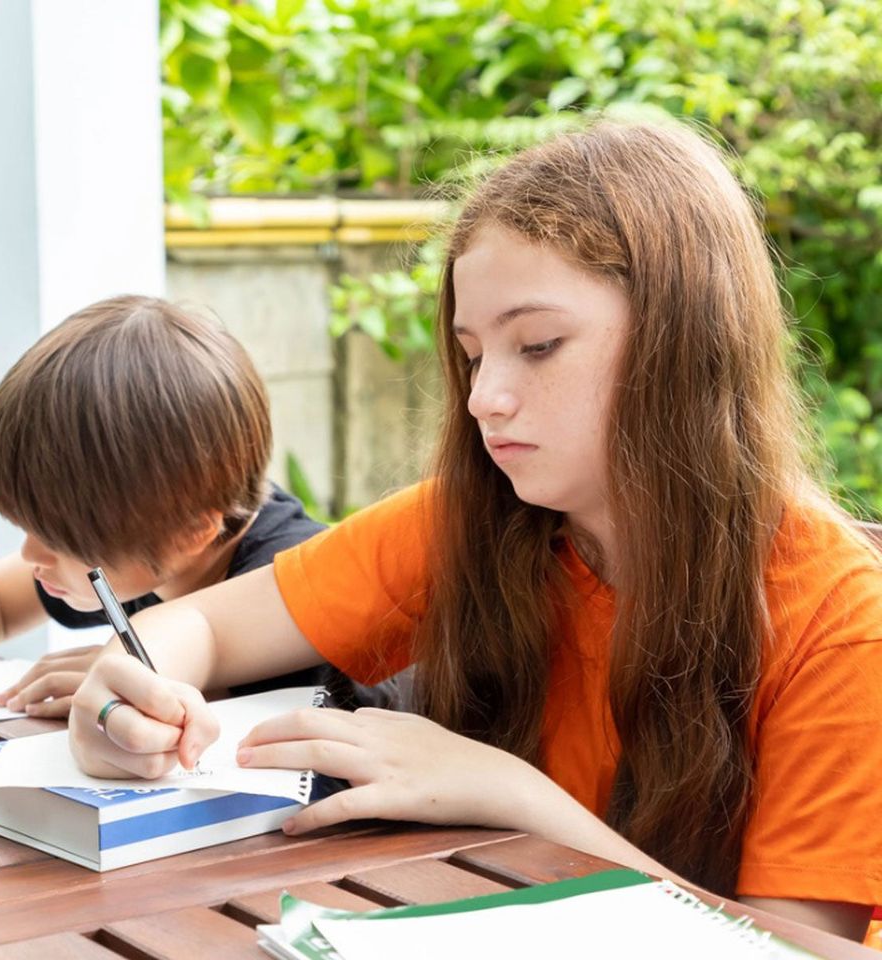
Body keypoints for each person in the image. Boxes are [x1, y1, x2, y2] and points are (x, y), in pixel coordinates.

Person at [64, 121, 882, 941]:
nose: (484, 396)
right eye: (472, 354)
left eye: (538, 345)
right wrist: (123, 694)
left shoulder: (841, 618)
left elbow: (797, 950)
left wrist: (510, 794)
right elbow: (201, 624)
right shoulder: (470, 521)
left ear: (684, 342)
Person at [0, 295, 375, 714]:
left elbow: (300, 729)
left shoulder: (295, 589)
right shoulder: (149, 531)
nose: (32, 555)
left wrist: (131, 690)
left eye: (59, 538)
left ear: (191, 531)